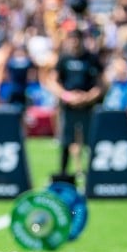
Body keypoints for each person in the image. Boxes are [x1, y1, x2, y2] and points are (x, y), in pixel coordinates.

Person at [42, 26, 105, 181]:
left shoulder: (91, 59)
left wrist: (88, 96)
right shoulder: (64, 59)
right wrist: (66, 95)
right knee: (66, 140)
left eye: (77, 39)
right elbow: (53, 81)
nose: (75, 42)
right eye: (72, 39)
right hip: (68, 106)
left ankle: (93, 173)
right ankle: (63, 173)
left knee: (90, 140)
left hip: (87, 106)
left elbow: (101, 84)